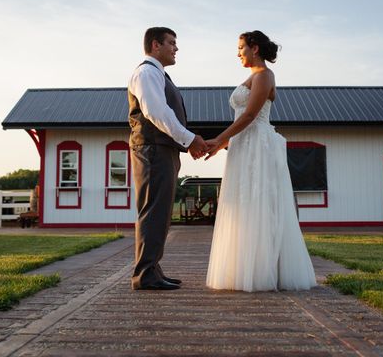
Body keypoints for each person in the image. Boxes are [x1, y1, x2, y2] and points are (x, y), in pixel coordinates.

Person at [205, 30, 316, 291]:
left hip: (258, 144)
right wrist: (223, 144)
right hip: (243, 145)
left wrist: (219, 139)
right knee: (243, 203)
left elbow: (250, 115)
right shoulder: (252, 76)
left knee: (261, 201)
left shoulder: (265, 75)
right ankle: (243, 268)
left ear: (255, 48)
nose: (238, 52)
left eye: (241, 47)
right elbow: (241, 118)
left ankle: (264, 271)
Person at [128, 27, 208, 290]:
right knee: (152, 210)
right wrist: (189, 138)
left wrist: (184, 143)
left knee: (160, 212)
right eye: (171, 42)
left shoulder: (158, 74)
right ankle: (145, 274)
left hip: (162, 149)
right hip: (152, 149)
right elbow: (156, 112)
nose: (176, 48)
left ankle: (152, 268)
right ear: (155, 45)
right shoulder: (147, 72)